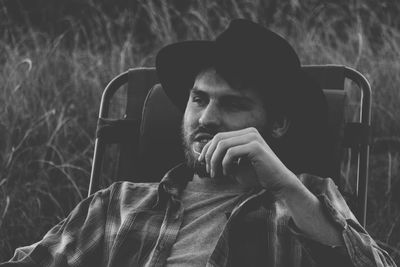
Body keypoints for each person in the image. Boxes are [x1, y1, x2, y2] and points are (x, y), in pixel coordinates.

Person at [1, 19, 396, 267]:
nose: (206, 118)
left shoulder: (310, 199)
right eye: (198, 98)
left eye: (233, 103)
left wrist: (283, 184)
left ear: (276, 123)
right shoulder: (117, 204)